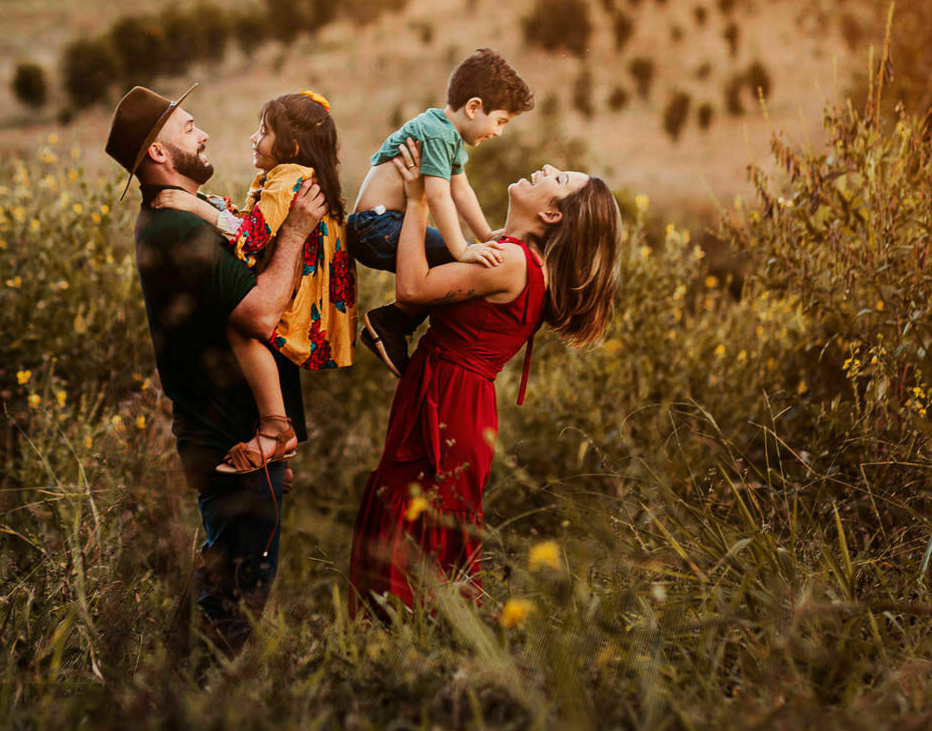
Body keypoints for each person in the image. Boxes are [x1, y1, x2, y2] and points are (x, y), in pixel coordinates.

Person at [348, 135, 622, 618]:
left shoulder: (513, 262)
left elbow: (413, 290)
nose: (547, 165)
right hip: (453, 398)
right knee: (419, 537)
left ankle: (398, 667)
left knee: (411, 542)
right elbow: (460, 200)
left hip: (448, 406)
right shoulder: (513, 254)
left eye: (558, 179)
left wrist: (415, 202)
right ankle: (407, 666)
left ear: (553, 215)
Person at [105, 83, 327, 651]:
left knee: (217, 586)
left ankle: (168, 701)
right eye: (187, 127)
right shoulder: (179, 228)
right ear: (158, 153)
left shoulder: (179, 218)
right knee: (233, 615)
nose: (202, 134)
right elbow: (259, 314)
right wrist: (298, 233)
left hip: (234, 442)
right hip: (237, 445)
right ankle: (198, 720)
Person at [149, 90, 357, 473]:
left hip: (297, 293)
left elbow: (254, 234)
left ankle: (276, 429)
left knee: (242, 329)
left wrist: (198, 206)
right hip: (300, 284)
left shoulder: (287, 179)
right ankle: (279, 437)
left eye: (263, 131)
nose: (253, 139)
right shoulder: (284, 176)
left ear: (291, 145)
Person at [349, 48, 536, 377]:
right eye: (500, 121)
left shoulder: (444, 133)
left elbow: (461, 190)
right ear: (474, 107)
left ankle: (393, 321)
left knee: (459, 260)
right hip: (375, 227)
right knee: (453, 262)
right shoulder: (437, 134)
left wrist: (486, 236)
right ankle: (389, 322)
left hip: (382, 225)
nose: (499, 132)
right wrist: (463, 249)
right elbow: (437, 196)